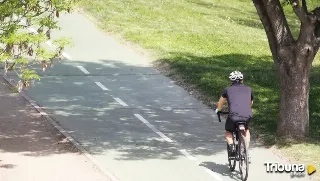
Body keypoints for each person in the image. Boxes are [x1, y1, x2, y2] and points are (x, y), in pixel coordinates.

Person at [215, 70, 253, 162]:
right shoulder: (248, 89)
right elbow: (251, 102)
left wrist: (218, 111)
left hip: (233, 116)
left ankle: (232, 149)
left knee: (229, 131)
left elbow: (220, 103)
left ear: (231, 81)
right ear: (242, 80)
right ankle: (245, 150)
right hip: (246, 114)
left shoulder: (227, 90)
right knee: (246, 130)